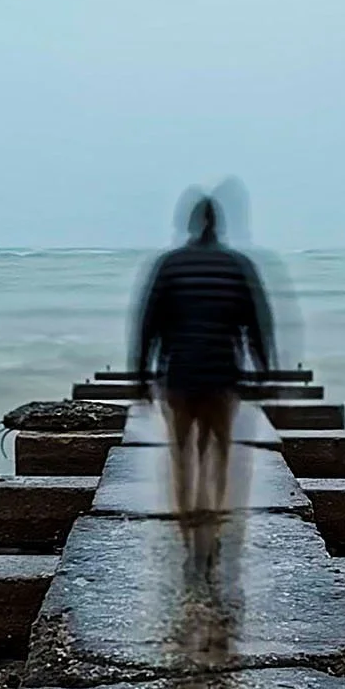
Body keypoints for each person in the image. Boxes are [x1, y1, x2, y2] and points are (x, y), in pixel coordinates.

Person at [131, 193, 276, 568]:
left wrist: (141, 375)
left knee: (181, 453)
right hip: (222, 377)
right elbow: (258, 324)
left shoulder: (169, 266)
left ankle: (187, 535)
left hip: (179, 377)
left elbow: (147, 324)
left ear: (191, 223)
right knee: (217, 453)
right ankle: (210, 529)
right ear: (220, 224)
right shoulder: (237, 266)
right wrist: (264, 370)